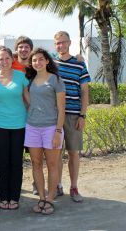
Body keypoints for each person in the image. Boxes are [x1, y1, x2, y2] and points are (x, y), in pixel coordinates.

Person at [0, 47, 30, 210]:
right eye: (1, 59)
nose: (4, 62)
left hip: (19, 124)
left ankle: (14, 197)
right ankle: (4, 197)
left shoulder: (22, 76)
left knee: (16, 162)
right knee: (3, 162)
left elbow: (28, 100)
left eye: (7, 58)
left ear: (12, 60)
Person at [25, 48, 66, 215]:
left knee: (52, 164)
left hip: (51, 128)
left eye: (41, 59)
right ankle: (41, 197)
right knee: (36, 164)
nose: (38, 62)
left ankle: (50, 198)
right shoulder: (30, 80)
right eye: (34, 60)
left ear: (47, 61)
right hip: (32, 127)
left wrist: (58, 131)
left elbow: (62, 109)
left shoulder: (56, 80)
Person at [54, 31, 90, 202]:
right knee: (56, 154)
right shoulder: (50, 63)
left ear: (69, 43)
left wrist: (83, 115)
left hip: (74, 115)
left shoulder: (79, 64)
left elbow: (84, 92)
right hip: (54, 116)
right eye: (57, 43)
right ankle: (58, 185)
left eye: (63, 42)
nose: (60, 45)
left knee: (74, 153)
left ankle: (74, 187)